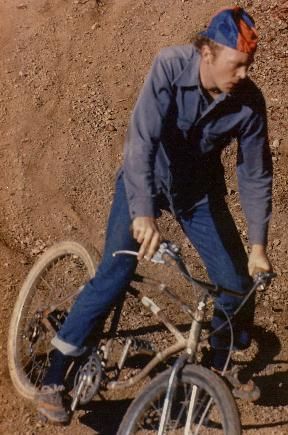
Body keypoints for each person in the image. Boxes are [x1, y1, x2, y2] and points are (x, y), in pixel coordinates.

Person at [36, 7, 272, 424]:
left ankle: (218, 366)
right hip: (143, 181)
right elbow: (141, 141)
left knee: (237, 284)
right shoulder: (169, 66)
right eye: (237, 64)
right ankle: (55, 373)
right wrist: (143, 214)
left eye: (248, 65)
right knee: (116, 274)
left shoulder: (249, 103)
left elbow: (254, 174)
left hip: (198, 196)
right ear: (207, 54)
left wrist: (258, 246)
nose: (243, 73)